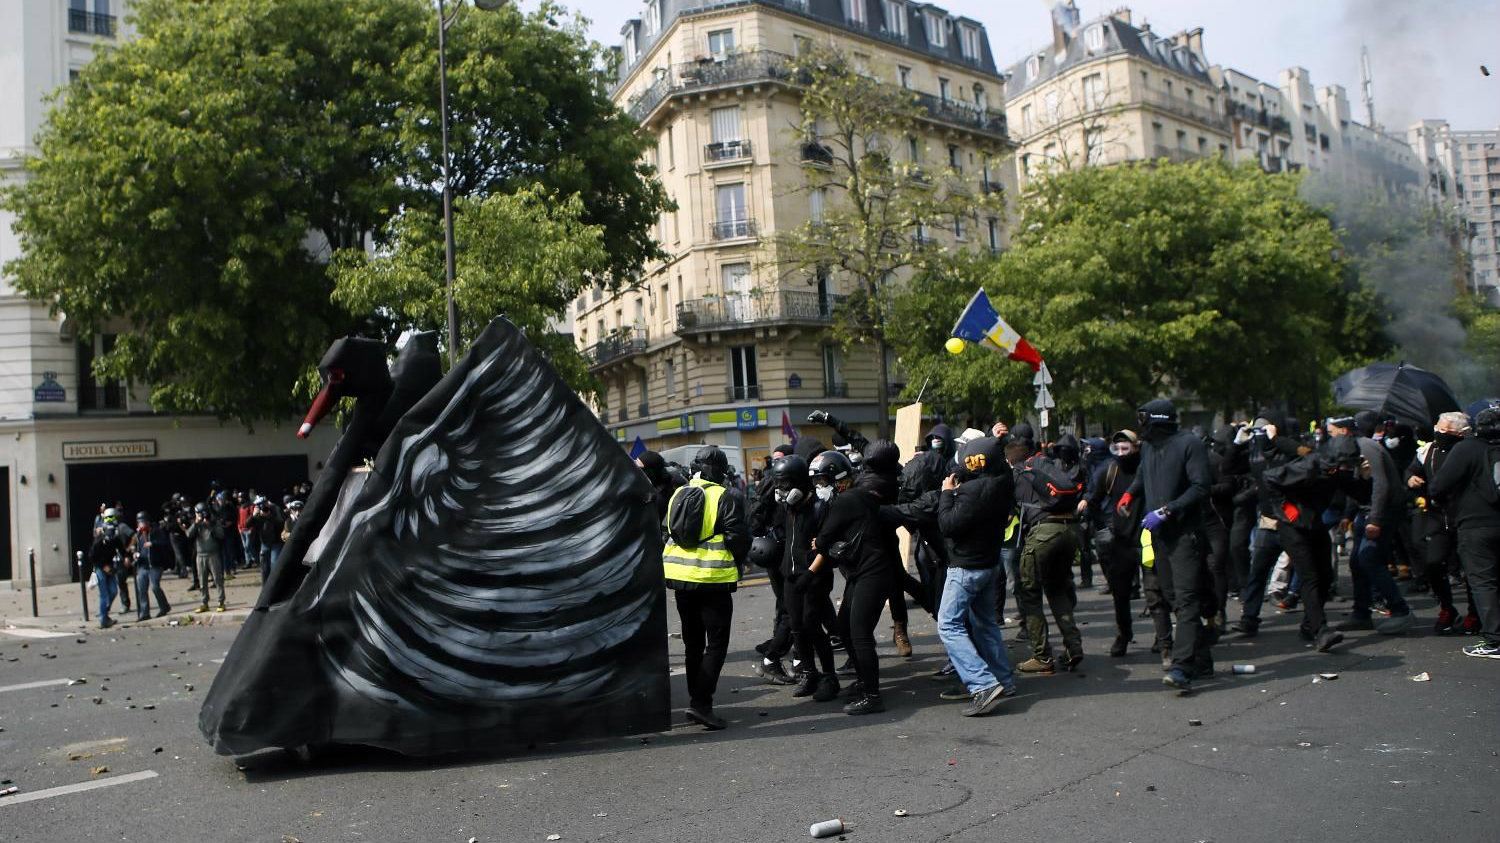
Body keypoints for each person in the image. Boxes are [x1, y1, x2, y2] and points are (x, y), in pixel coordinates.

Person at [1123, 398, 1216, 691]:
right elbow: (1142, 476)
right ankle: (1202, 661)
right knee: (1173, 597)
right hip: (1160, 536)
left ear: (1158, 419)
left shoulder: (1189, 444)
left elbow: (1201, 486)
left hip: (1185, 534)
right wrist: (1130, 494)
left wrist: (1166, 511)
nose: (1141, 427)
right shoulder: (1150, 447)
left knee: (1187, 599)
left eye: (1144, 419)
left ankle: (1181, 667)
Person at [662, 445, 750, 730]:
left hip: (679, 578)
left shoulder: (678, 493)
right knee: (716, 643)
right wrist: (739, 561)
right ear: (721, 471)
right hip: (713, 579)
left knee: (692, 643)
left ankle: (695, 700)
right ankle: (701, 704)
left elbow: (667, 531)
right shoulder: (725, 496)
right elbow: (738, 537)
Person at [814, 441, 903, 715]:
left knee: (860, 633)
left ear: (839, 479)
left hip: (872, 572)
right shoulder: (858, 494)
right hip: (865, 570)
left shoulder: (848, 499)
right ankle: (864, 681)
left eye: (822, 481)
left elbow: (824, 539)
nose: (819, 487)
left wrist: (821, 543)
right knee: (844, 627)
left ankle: (872, 695)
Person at [934, 434, 1018, 717]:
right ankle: (1004, 680)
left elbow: (948, 525)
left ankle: (982, 683)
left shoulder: (970, 493)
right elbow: (998, 463)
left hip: (966, 569)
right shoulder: (1004, 481)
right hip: (989, 564)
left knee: (948, 625)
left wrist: (947, 494)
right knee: (986, 625)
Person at [1329, 413, 1415, 634]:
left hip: (1382, 511)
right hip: (1366, 510)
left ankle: (1400, 610)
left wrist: (1375, 520)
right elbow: (1357, 485)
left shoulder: (1366, 447)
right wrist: (1348, 515)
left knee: (1368, 557)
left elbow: (1381, 486)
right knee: (1357, 562)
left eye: (1333, 431)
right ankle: (1361, 613)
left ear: (1345, 431)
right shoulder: (1353, 448)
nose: (1330, 435)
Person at [1428, 408, 1500, 658]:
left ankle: (1495, 639)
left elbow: (1438, 486)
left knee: (1483, 581)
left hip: (1475, 524)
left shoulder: (1467, 449)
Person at [1013, 436, 1086, 675]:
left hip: (1043, 533)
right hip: (1070, 529)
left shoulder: (1019, 473)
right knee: (1057, 589)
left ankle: (1042, 657)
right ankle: (1074, 647)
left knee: (1029, 594)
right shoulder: (1048, 466)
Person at [1088, 430, 1163, 657]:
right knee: (1120, 594)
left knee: (1155, 592)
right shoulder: (1109, 471)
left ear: (1136, 447)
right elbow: (1093, 500)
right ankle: (1123, 635)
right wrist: (1104, 527)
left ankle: (1162, 637)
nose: (1121, 453)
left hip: (1149, 539)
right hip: (1120, 542)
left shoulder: (1148, 469)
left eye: (1126, 448)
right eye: (1116, 448)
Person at [777, 454, 841, 702]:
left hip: (814, 577)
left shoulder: (819, 508)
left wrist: (811, 573)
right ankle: (809, 673)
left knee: (812, 626)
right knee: (797, 629)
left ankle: (829, 676)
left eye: (783, 485)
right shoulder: (789, 507)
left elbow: (825, 548)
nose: (780, 491)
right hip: (790, 577)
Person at [1407, 412, 1474, 634]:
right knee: (1433, 563)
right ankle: (1447, 607)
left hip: (1466, 517)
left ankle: (1475, 612)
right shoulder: (1428, 451)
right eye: (1438, 428)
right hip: (1437, 517)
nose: (1439, 433)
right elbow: (1411, 470)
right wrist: (1411, 478)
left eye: (1445, 431)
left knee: (1471, 569)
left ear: (1461, 434)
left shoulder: (1470, 451)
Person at [749, 443, 797, 684]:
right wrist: (763, 535)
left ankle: (794, 656)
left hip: (789, 548)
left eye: (781, 459)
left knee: (793, 606)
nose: (776, 465)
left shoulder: (798, 480)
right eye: (774, 460)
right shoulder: (771, 482)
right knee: (791, 605)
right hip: (778, 549)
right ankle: (776, 656)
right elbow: (755, 512)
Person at [88, 509, 130, 628]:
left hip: (110, 566)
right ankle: (103, 618)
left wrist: (126, 557)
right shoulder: (100, 540)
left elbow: (122, 549)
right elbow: (92, 555)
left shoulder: (115, 539)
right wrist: (103, 566)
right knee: (104, 594)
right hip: (100, 567)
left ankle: (104, 613)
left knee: (113, 591)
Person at [129, 512, 172, 621]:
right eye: (139, 523)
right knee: (142, 589)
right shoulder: (137, 535)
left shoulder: (156, 531)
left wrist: (153, 543)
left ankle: (164, 606)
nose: (142, 525)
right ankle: (144, 613)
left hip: (155, 564)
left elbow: (165, 543)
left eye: (143, 522)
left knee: (154, 586)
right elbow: (133, 547)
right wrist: (134, 553)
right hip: (143, 565)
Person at [188, 503, 227, 613]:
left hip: (213, 554)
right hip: (200, 555)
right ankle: (204, 602)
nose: (198, 515)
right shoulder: (196, 523)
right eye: (197, 514)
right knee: (202, 581)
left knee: (217, 579)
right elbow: (188, 535)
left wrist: (210, 525)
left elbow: (221, 535)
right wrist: (196, 523)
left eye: (199, 513)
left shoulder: (214, 521)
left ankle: (221, 602)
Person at [251, 496, 285, 583]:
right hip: (264, 544)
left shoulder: (275, 509)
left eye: (263, 505)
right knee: (264, 568)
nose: (263, 507)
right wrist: (253, 516)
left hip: (276, 543)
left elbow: (281, 524)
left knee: (274, 566)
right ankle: (265, 588)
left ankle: (275, 586)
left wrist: (269, 515)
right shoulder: (258, 514)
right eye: (259, 506)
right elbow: (247, 524)